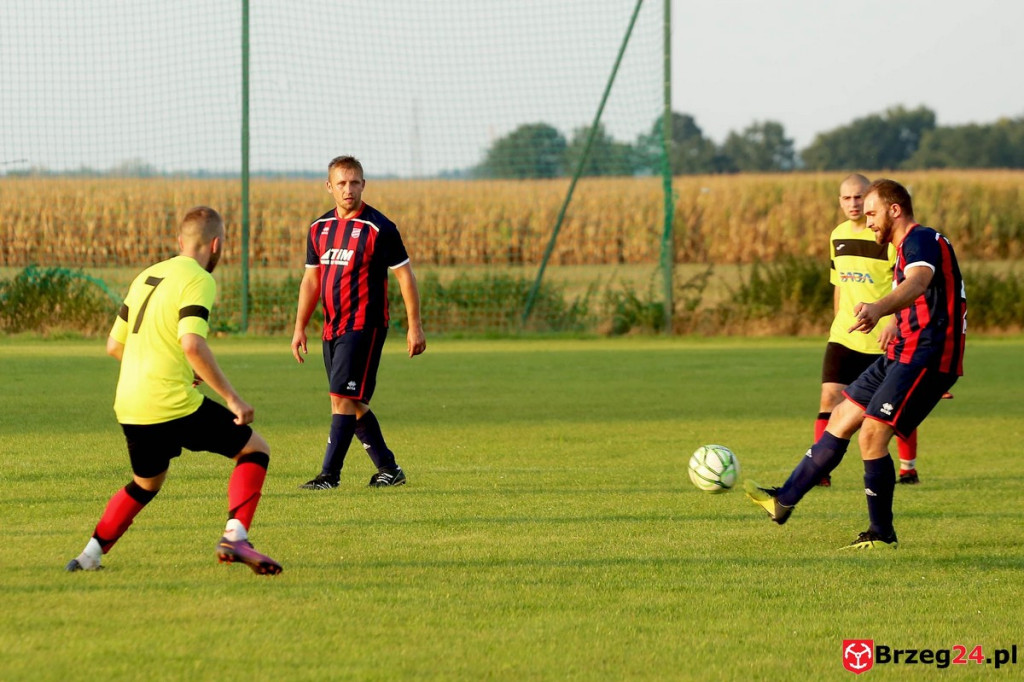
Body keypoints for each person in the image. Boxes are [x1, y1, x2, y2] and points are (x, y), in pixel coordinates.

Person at [745, 179, 966, 549]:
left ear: (894, 210)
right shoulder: (904, 247)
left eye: (873, 213)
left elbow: (919, 282)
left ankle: (881, 534)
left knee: (872, 434)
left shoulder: (920, 239)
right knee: (842, 415)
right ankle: (783, 500)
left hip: (925, 355)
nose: (869, 222)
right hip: (903, 352)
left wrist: (880, 309)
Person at [66, 206, 282, 575]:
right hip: (171, 402)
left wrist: (166, 371)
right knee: (254, 450)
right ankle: (235, 535)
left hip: (131, 402)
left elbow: (114, 347)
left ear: (180, 242)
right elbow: (192, 344)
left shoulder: (146, 275)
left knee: (146, 483)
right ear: (216, 245)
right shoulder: (198, 278)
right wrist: (233, 399)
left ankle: (88, 556)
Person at [291, 155, 426, 490]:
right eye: (341, 183)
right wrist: (299, 327)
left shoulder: (380, 228)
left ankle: (329, 476)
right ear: (329, 187)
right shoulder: (319, 228)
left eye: (354, 183)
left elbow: (404, 277)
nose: (348, 189)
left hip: (364, 325)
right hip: (332, 326)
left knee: (341, 397)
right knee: (349, 402)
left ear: (363, 184)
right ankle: (389, 469)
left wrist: (415, 326)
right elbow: (311, 281)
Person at [815, 174, 922, 487]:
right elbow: (838, 285)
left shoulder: (887, 239)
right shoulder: (837, 235)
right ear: (839, 201)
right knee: (829, 398)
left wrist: (893, 321)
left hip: (882, 335)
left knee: (892, 405)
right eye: (846, 198)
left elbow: (905, 285)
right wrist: (836, 322)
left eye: (859, 197)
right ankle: (821, 470)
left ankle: (908, 468)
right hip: (844, 335)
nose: (853, 204)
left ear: (872, 199)